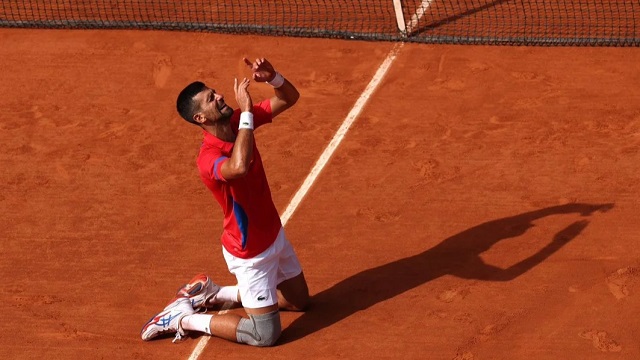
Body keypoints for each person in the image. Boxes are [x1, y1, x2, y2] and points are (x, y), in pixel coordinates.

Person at [141, 57, 309, 347]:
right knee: (265, 335)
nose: (219, 96)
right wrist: (246, 112)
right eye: (210, 99)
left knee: (299, 302)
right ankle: (183, 318)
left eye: (214, 91)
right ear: (200, 119)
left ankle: (214, 294)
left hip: (273, 235)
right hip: (249, 254)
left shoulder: (236, 123)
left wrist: (273, 78)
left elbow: (288, 98)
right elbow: (239, 166)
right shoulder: (208, 159)